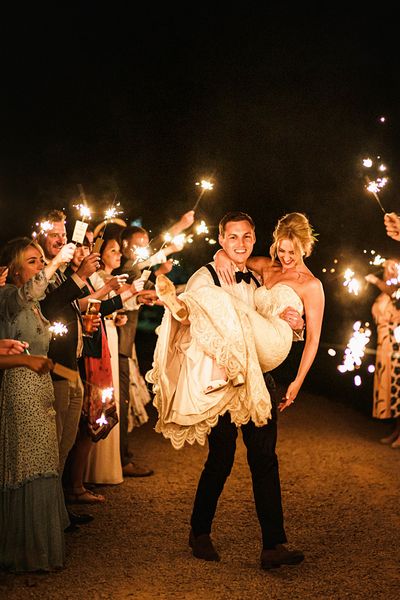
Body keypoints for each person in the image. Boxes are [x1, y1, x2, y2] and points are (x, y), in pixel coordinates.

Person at [147, 211, 324, 570]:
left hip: (261, 378)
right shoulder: (206, 275)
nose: (239, 244)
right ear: (220, 240)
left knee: (265, 459)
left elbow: (282, 313)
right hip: (224, 382)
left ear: (255, 239)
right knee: (221, 458)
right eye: (232, 238)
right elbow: (192, 323)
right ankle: (199, 532)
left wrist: (294, 321)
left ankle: (274, 545)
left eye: (246, 237)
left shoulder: (261, 272)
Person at [0, 237, 74, 572]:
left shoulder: (32, 304)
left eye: (41, 259)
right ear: (14, 271)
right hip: (20, 389)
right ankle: (25, 551)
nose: (40, 265)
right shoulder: (7, 299)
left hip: (40, 387)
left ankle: (41, 548)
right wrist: (27, 363)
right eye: (32, 261)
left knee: (46, 460)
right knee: (29, 465)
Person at [365, 259, 400, 447]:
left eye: (392, 269)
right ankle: (396, 431)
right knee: (390, 390)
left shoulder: (397, 291)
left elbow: (395, 293)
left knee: (399, 388)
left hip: (397, 346)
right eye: (386, 269)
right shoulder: (384, 293)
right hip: (384, 346)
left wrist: (375, 281)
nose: (388, 272)